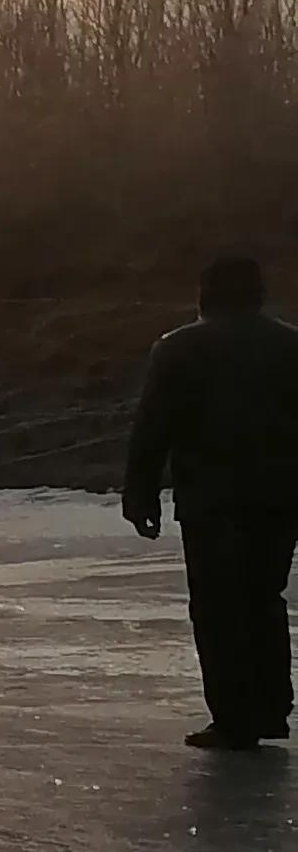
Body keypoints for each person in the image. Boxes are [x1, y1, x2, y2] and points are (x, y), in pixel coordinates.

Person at [124, 252, 298, 749]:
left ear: (205, 296)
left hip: (211, 499)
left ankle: (234, 716)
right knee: (264, 598)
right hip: (280, 497)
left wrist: (140, 492)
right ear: (259, 295)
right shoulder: (291, 345)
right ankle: (270, 708)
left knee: (219, 605)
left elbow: (153, 427)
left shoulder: (178, 349)